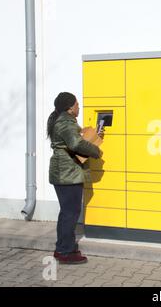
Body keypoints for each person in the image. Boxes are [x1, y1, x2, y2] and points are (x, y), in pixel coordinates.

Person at [47, 92, 103, 264]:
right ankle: (66, 251)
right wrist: (95, 151)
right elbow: (75, 144)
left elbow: (73, 141)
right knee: (70, 213)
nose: (79, 107)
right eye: (77, 104)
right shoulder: (66, 122)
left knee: (66, 212)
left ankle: (62, 248)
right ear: (70, 108)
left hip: (64, 172)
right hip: (67, 174)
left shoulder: (64, 121)